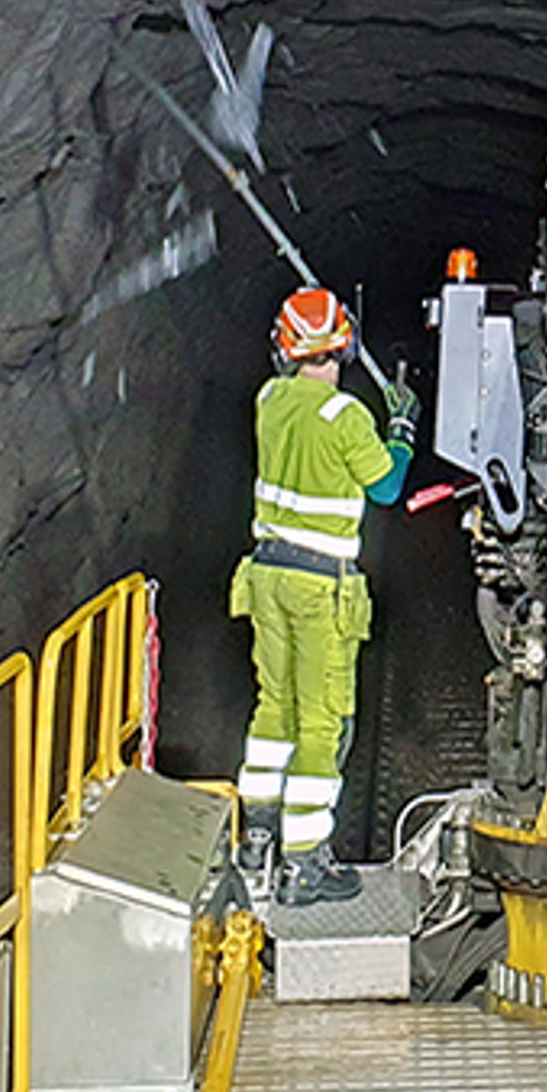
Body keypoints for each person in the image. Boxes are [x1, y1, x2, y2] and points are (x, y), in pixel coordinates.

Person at [228, 287, 418, 907]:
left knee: (272, 708)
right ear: (347, 344)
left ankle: (255, 839)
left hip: (265, 577)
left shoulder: (268, 400)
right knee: (322, 722)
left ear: (284, 350)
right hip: (318, 589)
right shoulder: (348, 418)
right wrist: (402, 428)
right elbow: (387, 487)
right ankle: (304, 861)